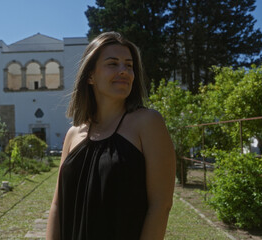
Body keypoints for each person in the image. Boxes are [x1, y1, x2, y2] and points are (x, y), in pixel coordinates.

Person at [46, 32, 176, 240]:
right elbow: (57, 205)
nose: (124, 71)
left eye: (129, 65)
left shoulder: (148, 123)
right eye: (113, 64)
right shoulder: (73, 134)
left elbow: (161, 205)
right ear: (90, 76)